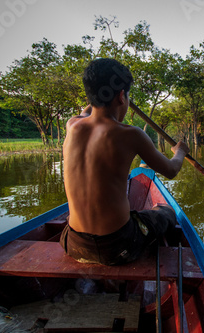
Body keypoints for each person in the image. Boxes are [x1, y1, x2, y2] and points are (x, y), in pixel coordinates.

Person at [59, 58, 189, 265]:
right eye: (126, 96)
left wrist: (100, 92)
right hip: (118, 246)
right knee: (166, 212)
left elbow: (89, 110)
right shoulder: (131, 134)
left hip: (73, 243)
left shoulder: (73, 125)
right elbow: (172, 170)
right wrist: (180, 151)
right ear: (121, 97)